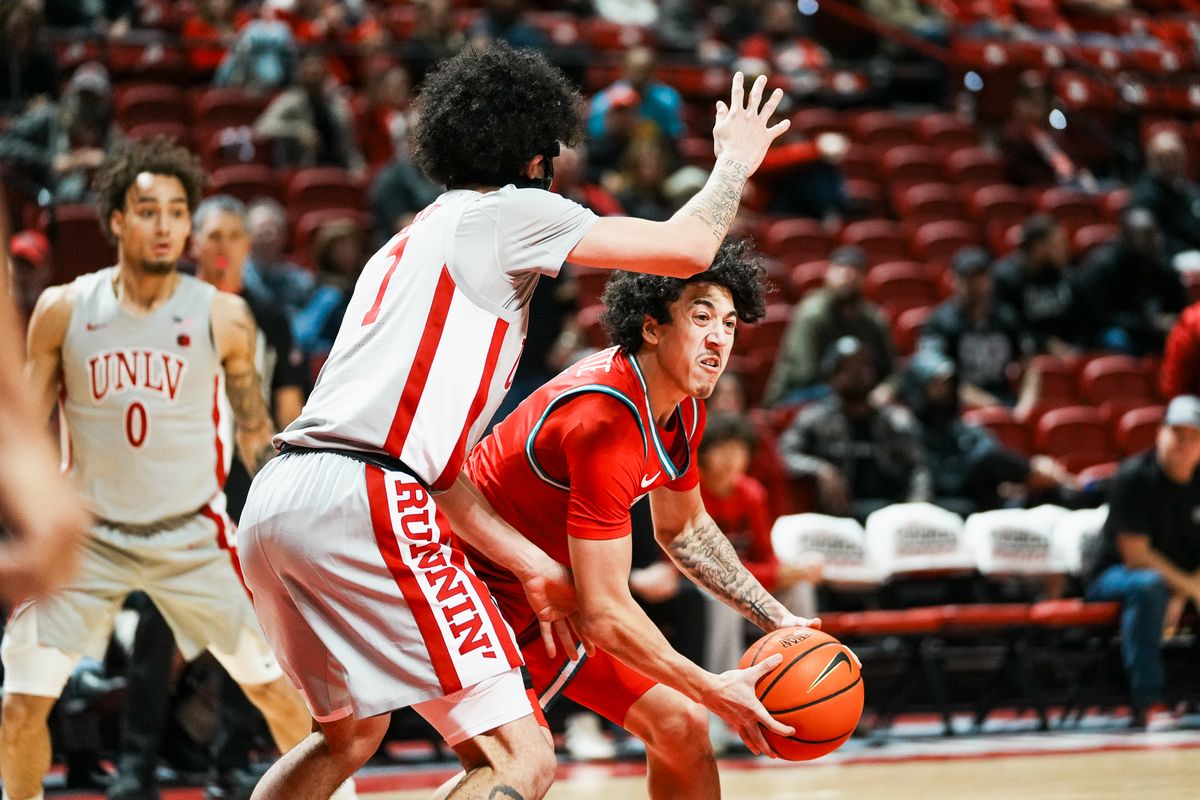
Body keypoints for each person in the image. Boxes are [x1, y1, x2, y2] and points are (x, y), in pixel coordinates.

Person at [236, 44, 792, 800]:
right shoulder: (508, 212)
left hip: (278, 500)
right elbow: (689, 248)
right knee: (519, 763)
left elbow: (441, 473)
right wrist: (735, 160)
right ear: (538, 156)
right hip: (369, 496)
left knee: (346, 737)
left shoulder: (406, 245)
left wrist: (531, 563)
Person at [0, 137, 320, 800]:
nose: (167, 224)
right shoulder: (64, 309)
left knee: (278, 693)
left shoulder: (224, 314)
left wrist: (302, 509)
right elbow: (24, 430)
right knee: (20, 706)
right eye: (149, 210)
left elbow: (259, 434)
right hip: (91, 535)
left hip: (193, 532)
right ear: (116, 219)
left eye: (178, 210)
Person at [454, 241, 818, 800]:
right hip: (469, 587)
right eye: (701, 318)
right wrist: (712, 687)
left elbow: (685, 531)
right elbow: (603, 614)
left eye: (729, 323)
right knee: (520, 771)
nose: (719, 337)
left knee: (680, 725)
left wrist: (780, 621)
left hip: (549, 596)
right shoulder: (606, 420)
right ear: (652, 328)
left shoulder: (683, 405)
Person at [107, 193, 310, 800]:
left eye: (232, 237)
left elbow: (288, 412)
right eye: (210, 237)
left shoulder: (269, 316)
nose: (220, 248)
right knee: (155, 629)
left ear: (247, 246)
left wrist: (282, 481)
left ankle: (229, 762)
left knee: (252, 633)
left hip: (250, 493)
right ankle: (136, 767)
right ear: (194, 246)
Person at [1084, 395, 1200, 727]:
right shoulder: (1133, 477)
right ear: (1159, 434)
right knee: (1148, 587)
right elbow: (1136, 556)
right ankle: (1149, 701)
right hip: (1115, 575)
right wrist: (1190, 587)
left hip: (1178, 578)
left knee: (1159, 587)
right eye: (1176, 433)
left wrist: (1183, 591)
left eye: (1192, 436)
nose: (1183, 443)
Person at [0, 177, 89, 607]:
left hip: (45, 461)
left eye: (29, 266)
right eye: (16, 265)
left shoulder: (62, 320)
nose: (20, 274)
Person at [778, 336, 930, 521]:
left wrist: (917, 508)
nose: (858, 372)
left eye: (865, 365)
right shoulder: (815, 418)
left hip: (892, 514)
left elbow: (919, 469)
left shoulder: (895, 419)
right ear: (832, 374)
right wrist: (821, 470)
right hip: (839, 518)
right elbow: (783, 454)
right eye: (848, 367)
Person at [764, 245, 895, 407]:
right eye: (840, 269)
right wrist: (852, 388)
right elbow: (803, 375)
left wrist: (887, 389)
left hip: (858, 396)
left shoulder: (872, 319)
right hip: (797, 397)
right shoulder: (811, 314)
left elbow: (892, 371)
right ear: (828, 273)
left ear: (864, 278)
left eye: (855, 270)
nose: (848, 275)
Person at [919, 246, 1032, 407]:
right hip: (958, 408)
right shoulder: (940, 322)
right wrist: (988, 404)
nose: (977, 286)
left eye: (981, 277)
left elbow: (1028, 364)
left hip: (1004, 401)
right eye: (969, 278)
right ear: (954, 280)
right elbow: (940, 377)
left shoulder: (1005, 317)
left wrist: (1026, 402)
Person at [1074, 206, 1186, 355]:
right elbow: (1101, 318)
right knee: (1116, 338)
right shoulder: (1101, 267)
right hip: (1114, 330)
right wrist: (1149, 324)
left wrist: (1174, 321)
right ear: (1127, 237)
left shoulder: (1160, 262)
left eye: (1154, 233)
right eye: (1146, 235)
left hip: (1150, 328)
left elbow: (1181, 305)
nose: (1155, 240)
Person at [992, 214, 1082, 356]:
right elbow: (1011, 328)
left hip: (1068, 352)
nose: (1065, 250)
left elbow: (1080, 321)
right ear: (1038, 248)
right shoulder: (1005, 279)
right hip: (1028, 356)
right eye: (1057, 245)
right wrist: (1045, 343)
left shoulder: (1066, 276)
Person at [1129, 128, 1200, 266]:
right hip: (1168, 259)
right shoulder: (1145, 196)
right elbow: (1153, 241)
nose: (1172, 163)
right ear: (1152, 160)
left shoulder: (1190, 190)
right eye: (1165, 158)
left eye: (1176, 157)